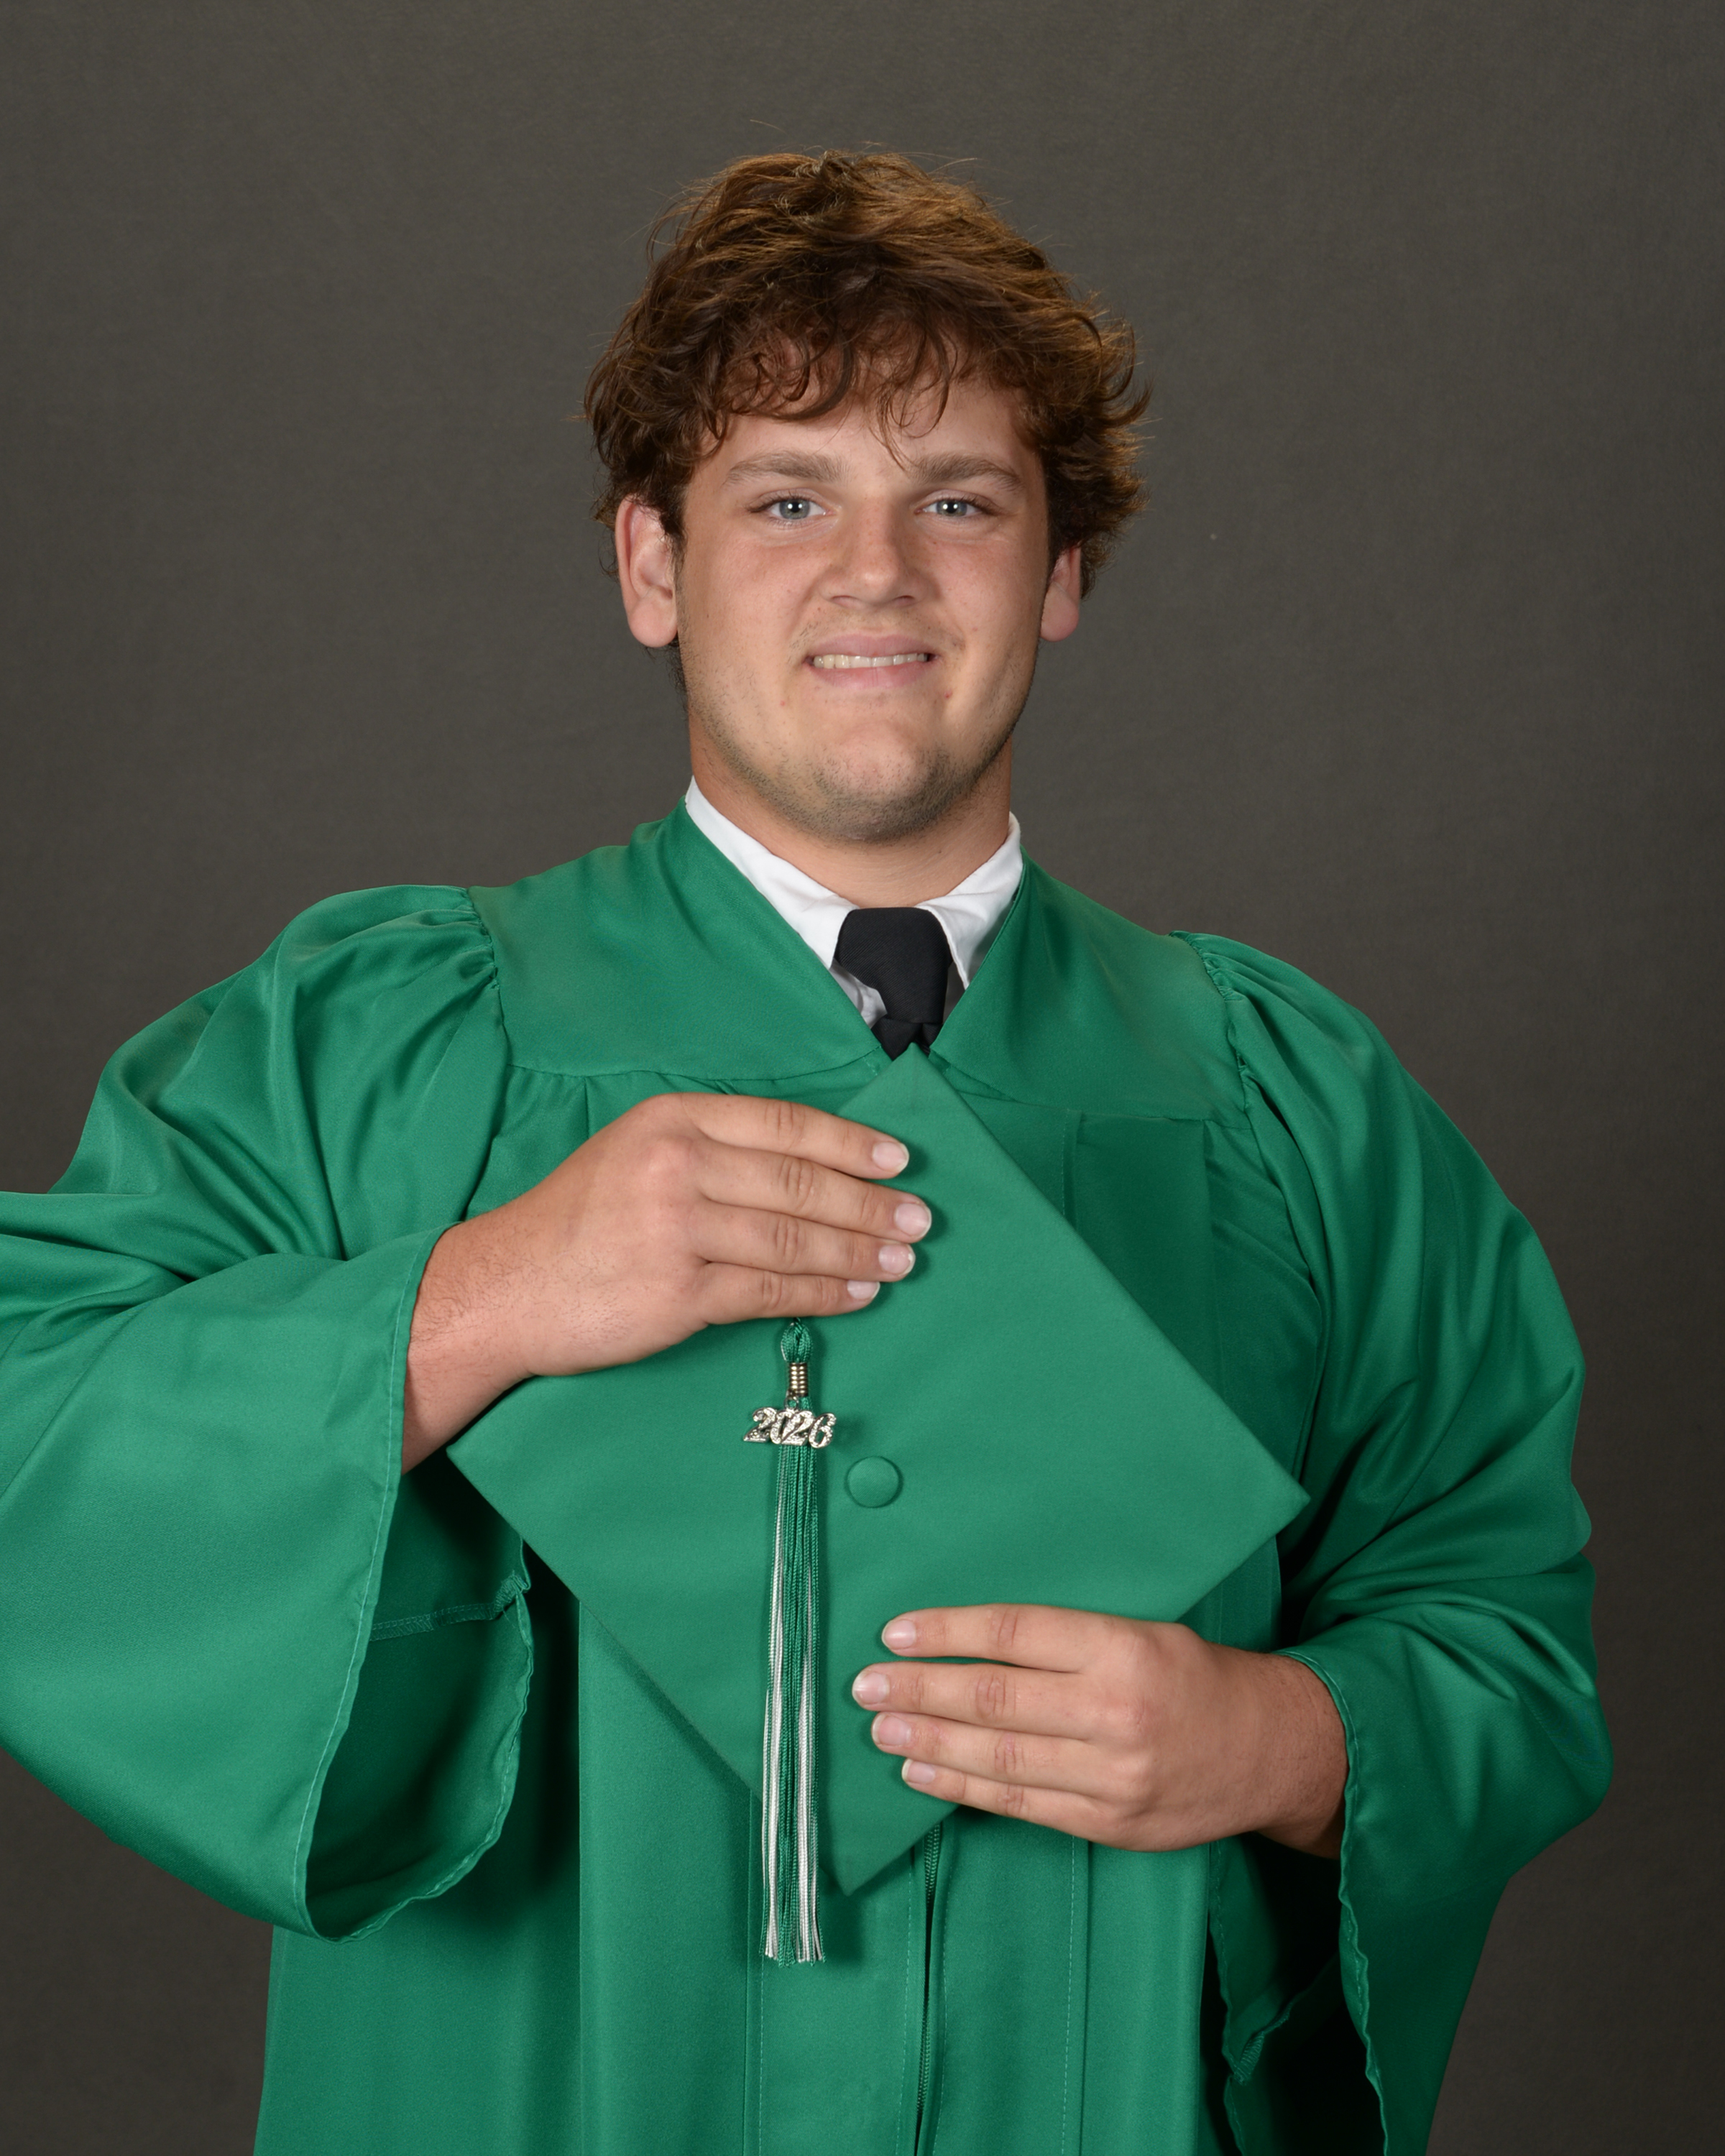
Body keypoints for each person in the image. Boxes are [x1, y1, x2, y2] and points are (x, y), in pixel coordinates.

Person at [0, 151, 1607, 2155]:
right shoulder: (376, 1050)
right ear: (650, 568)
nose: (878, 574)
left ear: (1062, 571)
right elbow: (29, 1422)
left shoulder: (1287, 1107)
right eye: (785, 500)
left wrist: (1286, 1742)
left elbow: (1501, 1620)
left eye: (961, 502)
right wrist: (480, 1297)